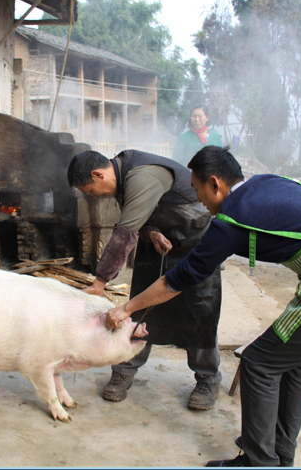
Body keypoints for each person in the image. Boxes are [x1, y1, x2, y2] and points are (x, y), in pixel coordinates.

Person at [105, 147, 301, 467]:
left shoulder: (231, 219)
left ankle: (258, 462)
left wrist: (126, 309)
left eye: (199, 191)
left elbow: (180, 278)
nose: (199, 200)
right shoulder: (267, 182)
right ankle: (281, 455)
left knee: (258, 362)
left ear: (215, 184)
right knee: (298, 359)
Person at [68, 149, 223, 411]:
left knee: (200, 311)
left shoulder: (141, 175)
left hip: (195, 241)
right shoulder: (120, 176)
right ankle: (124, 369)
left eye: (90, 189)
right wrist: (151, 232)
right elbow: (143, 219)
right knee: (140, 308)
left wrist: (100, 282)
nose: (93, 196)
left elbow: (124, 234)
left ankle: (208, 379)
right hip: (160, 243)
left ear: (98, 174)